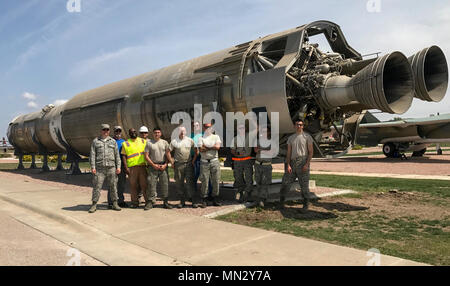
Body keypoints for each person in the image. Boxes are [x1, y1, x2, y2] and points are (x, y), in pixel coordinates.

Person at [279, 119, 314, 213]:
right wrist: (288, 165)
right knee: (285, 183)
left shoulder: (307, 137)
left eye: (301, 125)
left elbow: (311, 152)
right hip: (292, 163)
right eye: (297, 124)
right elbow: (289, 153)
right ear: (294, 126)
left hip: (303, 162)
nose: (299, 126)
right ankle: (281, 202)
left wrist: (307, 164)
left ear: (303, 126)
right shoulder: (291, 138)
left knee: (304, 186)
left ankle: (306, 205)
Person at [88, 124, 122, 213]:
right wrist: (93, 167)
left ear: (109, 131)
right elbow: (92, 155)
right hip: (99, 169)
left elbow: (117, 155)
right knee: (97, 187)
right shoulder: (95, 141)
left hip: (111, 168)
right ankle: (94, 204)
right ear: (101, 130)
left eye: (107, 130)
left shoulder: (113, 141)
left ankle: (115, 203)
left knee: (113, 186)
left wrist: (118, 167)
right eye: (104, 129)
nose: (105, 131)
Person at [144, 127, 172, 210]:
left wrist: (166, 164)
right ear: (153, 133)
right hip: (153, 167)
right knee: (151, 184)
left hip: (163, 166)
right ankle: (150, 202)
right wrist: (153, 165)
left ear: (161, 133)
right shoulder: (149, 143)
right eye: (155, 132)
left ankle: (165, 202)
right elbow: (146, 156)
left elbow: (168, 154)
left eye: (158, 132)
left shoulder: (165, 142)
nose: (157, 134)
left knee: (165, 184)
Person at [169, 126, 195, 208]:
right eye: (180, 131)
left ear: (186, 132)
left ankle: (193, 201)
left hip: (188, 164)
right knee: (179, 183)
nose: (182, 133)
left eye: (183, 131)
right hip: (178, 165)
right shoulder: (174, 141)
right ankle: (182, 201)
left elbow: (197, 151)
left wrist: (193, 161)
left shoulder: (190, 140)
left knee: (190, 182)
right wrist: (172, 161)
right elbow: (168, 151)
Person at [121, 128, 148, 208]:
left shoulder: (143, 141)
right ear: (129, 133)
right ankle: (134, 203)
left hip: (143, 166)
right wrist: (126, 168)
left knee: (145, 185)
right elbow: (124, 156)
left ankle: (148, 202)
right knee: (133, 186)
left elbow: (148, 153)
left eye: (134, 131)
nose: (133, 133)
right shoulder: (126, 143)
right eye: (131, 132)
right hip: (132, 168)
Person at [197, 123, 222, 208]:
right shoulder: (201, 138)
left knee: (216, 180)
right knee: (205, 181)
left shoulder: (216, 137)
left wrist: (206, 147)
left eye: (209, 127)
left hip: (214, 161)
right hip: (204, 162)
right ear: (204, 128)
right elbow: (200, 149)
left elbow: (218, 147)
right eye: (206, 127)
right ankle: (204, 199)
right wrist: (212, 146)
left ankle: (215, 198)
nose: (208, 128)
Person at [230, 123, 254, 203]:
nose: (241, 130)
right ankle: (241, 193)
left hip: (247, 160)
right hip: (238, 160)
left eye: (243, 128)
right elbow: (232, 150)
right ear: (237, 130)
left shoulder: (249, 136)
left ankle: (248, 194)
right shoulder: (235, 139)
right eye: (240, 128)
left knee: (249, 177)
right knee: (238, 177)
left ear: (245, 129)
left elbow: (256, 129)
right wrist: (237, 154)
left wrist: (253, 120)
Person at [253, 125, 275, 208]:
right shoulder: (258, 141)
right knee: (258, 182)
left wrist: (260, 150)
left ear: (269, 132)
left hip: (266, 166)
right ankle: (258, 198)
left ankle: (262, 199)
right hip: (258, 164)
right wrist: (266, 151)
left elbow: (271, 153)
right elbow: (255, 150)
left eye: (266, 131)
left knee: (264, 183)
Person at [191, 121, 212, 202]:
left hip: (203, 158)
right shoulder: (190, 136)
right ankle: (193, 195)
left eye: (197, 125)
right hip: (194, 159)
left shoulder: (204, 135)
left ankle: (209, 194)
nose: (195, 127)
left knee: (206, 177)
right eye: (193, 126)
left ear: (199, 127)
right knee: (194, 178)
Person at [109, 126, 128, 208]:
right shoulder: (110, 141)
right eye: (116, 131)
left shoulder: (124, 142)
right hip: (113, 165)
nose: (118, 133)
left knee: (121, 184)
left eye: (119, 131)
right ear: (114, 132)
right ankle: (111, 202)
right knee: (112, 184)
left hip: (122, 166)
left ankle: (120, 201)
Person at [137, 126, 150, 202]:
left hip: (149, 165)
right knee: (140, 182)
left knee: (150, 182)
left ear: (147, 133)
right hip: (141, 165)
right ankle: (139, 197)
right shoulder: (136, 141)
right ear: (139, 133)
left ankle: (151, 198)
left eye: (145, 132)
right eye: (142, 133)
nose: (143, 134)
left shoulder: (151, 141)